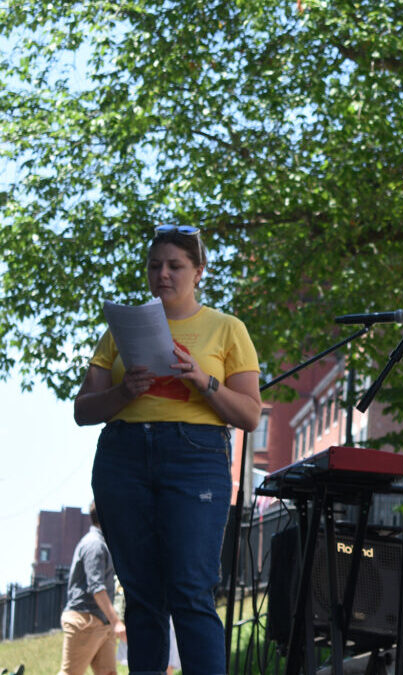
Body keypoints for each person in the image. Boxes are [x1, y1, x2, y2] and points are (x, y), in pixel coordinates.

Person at [74, 225, 262, 674]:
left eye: (175, 265)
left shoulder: (226, 328)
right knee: (141, 596)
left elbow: (250, 414)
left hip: (195, 458)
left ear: (199, 271)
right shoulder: (120, 329)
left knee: (191, 590)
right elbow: (83, 410)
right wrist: (124, 392)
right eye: (155, 265)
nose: (163, 274)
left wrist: (204, 380)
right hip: (123, 458)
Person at [58, 501, 126, 675]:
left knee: (109, 673)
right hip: (85, 620)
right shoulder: (94, 545)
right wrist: (116, 622)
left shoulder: (103, 544)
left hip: (102, 623)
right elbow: (96, 587)